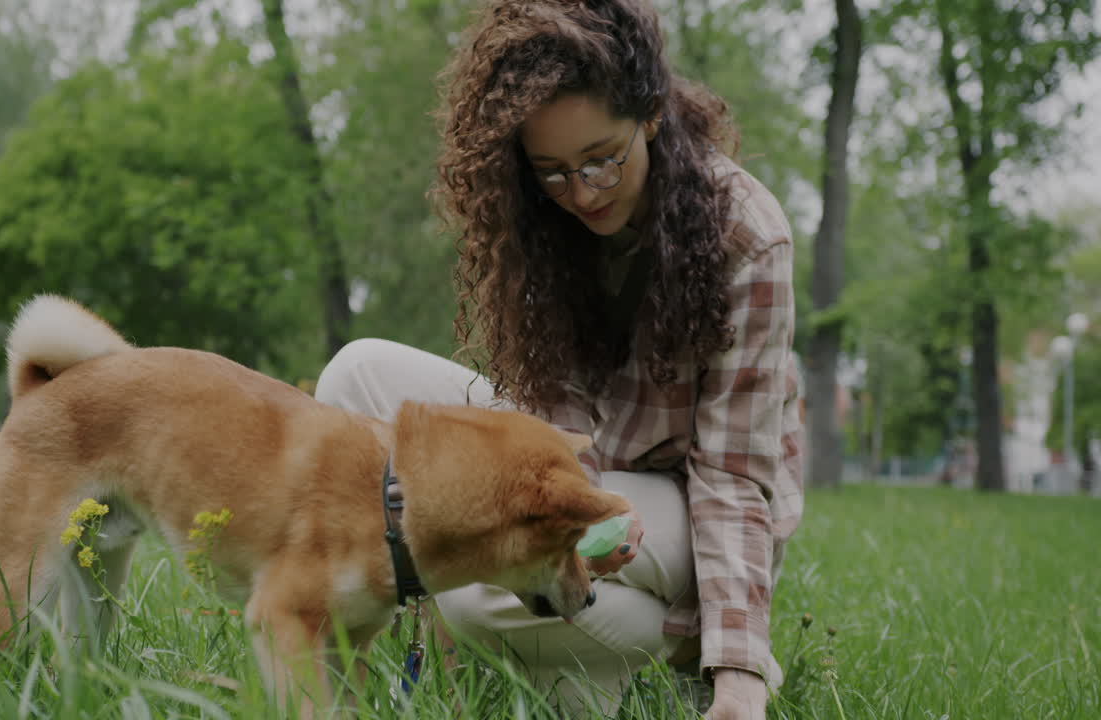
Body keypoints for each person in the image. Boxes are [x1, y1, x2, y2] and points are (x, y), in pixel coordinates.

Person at [314, 0, 804, 717]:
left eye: (603, 160)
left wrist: (739, 677)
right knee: (352, 375)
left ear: (653, 117)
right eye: (554, 171)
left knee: (485, 594)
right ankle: (389, 644)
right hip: (577, 465)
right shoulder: (542, 222)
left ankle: (678, 652)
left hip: (686, 503)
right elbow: (549, 410)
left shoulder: (749, 239)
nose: (583, 192)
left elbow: (732, 476)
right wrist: (573, 505)